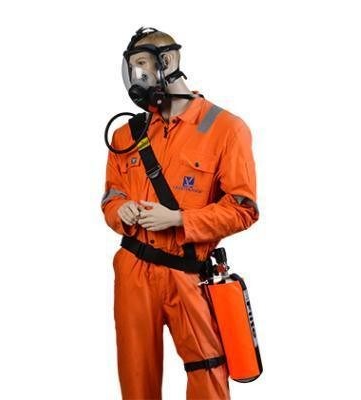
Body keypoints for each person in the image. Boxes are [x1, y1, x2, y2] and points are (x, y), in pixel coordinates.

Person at [101, 26, 259, 400]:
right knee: (136, 375)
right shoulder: (127, 135)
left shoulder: (226, 129)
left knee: (208, 372)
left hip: (187, 271)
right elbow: (111, 196)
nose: (137, 76)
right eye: (133, 68)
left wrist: (179, 220)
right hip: (133, 270)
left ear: (168, 60)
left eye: (143, 64)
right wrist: (120, 210)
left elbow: (243, 209)